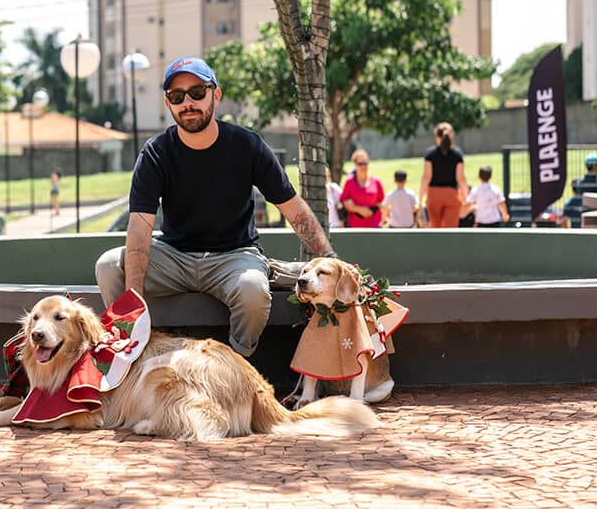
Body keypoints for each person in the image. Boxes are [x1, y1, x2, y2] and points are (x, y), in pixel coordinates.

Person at [95, 56, 338, 358]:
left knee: (252, 289)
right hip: (175, 256)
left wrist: (330, 257)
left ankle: (236, 367)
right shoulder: (156, 153)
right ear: (168, 103)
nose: (188, 103)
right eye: (177, 96)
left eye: (197, 92)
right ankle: (131, 353)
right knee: (108, 266)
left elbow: (293, 209)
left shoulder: (247, 145)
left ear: (216, 95)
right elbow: (139, 231)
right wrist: (132, 305)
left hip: (233, 256)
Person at [419, 122, 469, 228]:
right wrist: (466, 198)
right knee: (450, 230)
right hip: (452, 194)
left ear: (437, 136)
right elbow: (461, 178)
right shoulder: (457, 154)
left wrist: (420, 198)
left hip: (434, 194)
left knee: (435, 229)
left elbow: (426, 177)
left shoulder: (430, 154)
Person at [340, 149, 385, 228]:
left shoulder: (376, 181)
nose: (363, 166)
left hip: (375, 224)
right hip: (355, 225)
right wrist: (358, 209)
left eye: (365, 163)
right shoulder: (349, 181)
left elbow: (382, 203)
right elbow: (344, 201)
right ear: (355, 164)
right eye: (360, 164)